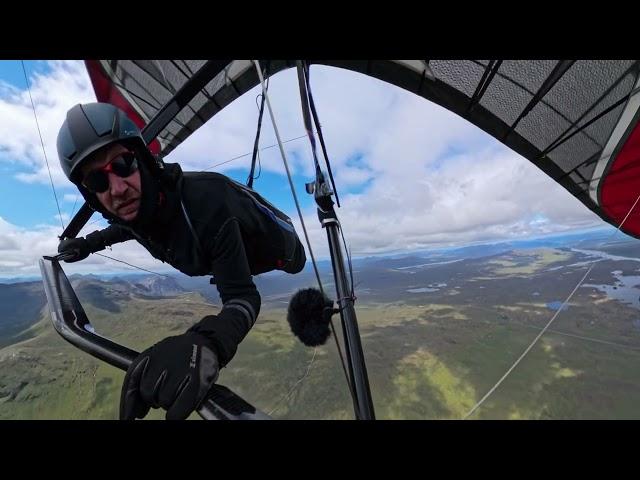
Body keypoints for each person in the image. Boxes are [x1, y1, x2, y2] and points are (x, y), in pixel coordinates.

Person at [56, 102, 306, 420]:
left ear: (143, 161)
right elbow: (125, 230)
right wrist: (86, 245)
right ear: (91, 196)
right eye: (97, 182)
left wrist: (207, 343)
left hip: (280, 250)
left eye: (122, 164)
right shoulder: (140, 212)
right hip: (222, 241)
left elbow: (243, 297)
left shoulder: (204, 205)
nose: (117, 188)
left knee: (295, 260)